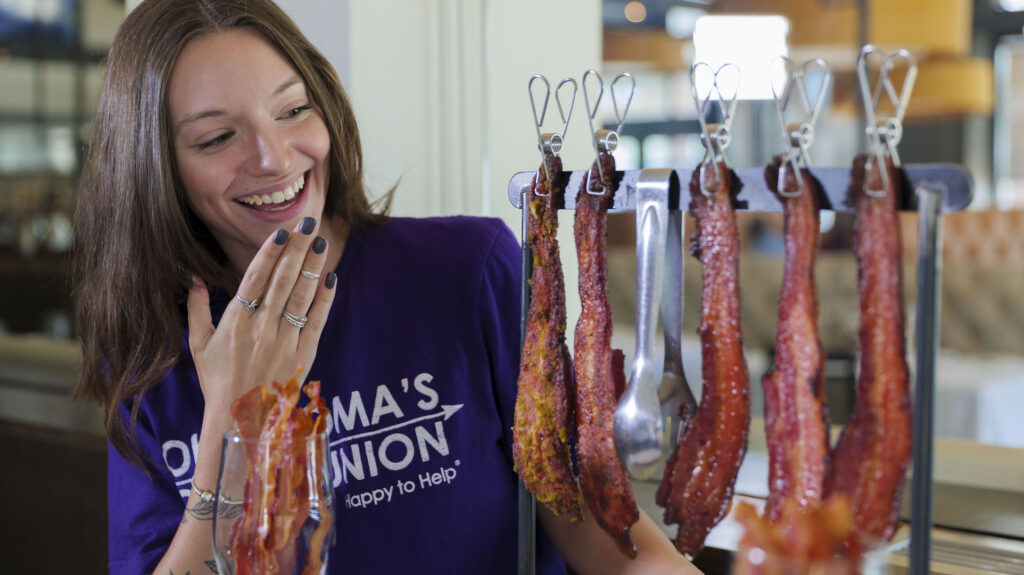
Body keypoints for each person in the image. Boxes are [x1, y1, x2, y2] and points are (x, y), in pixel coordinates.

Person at [73, 0, 702, 573]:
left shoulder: (465, 271)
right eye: (216, 137)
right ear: (158, 170)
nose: (274, 156)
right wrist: (236, 426)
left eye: (294, 110)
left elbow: (618, 549)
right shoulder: (151, 359)